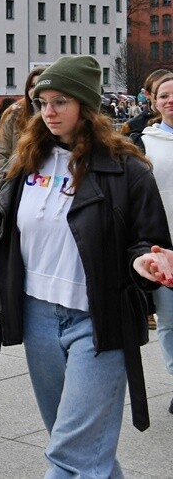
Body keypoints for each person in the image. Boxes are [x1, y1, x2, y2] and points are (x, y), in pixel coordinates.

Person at [0, 56, 173, 477]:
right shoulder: (26, 165)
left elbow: (148, 240)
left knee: (70, 453)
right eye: (42, 102)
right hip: (38, 320)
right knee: (83, 450)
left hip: (99, 320)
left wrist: (146, 261)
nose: (48, 111)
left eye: (60, 101)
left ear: (85, 106)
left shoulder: (126, 168)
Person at [136, 73, 173, 416]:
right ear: (153, 101)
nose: (170, 100)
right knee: (169, 320)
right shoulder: (144, 143)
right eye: (164, 96)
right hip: (163, 247)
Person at [0, 67, 47, 190]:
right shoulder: (15, 115)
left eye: (39, 85)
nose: (34, 90)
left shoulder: (57, 116)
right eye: (31, 86)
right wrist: (2, 188)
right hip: (18, 182)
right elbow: (1, 155)